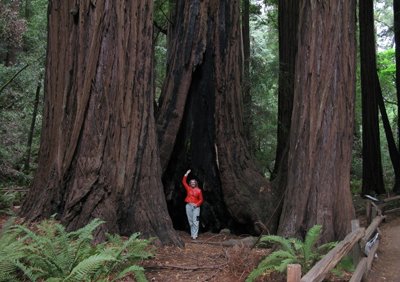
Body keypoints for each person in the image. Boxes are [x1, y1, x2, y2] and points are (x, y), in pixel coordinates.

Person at [182, 169, 204, 239]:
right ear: (190, 184)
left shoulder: (199, 190)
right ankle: (192, 234)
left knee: (196, 221)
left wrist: (197, 205)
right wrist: (186, 173)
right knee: (190, 221)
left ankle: (195, 235)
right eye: (191, 182)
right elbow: (183, 182)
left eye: (194, 182)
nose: (193, 183)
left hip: (196, 208)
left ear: (196, 183)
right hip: (188, 206)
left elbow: (201, 199)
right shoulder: (188, 188)